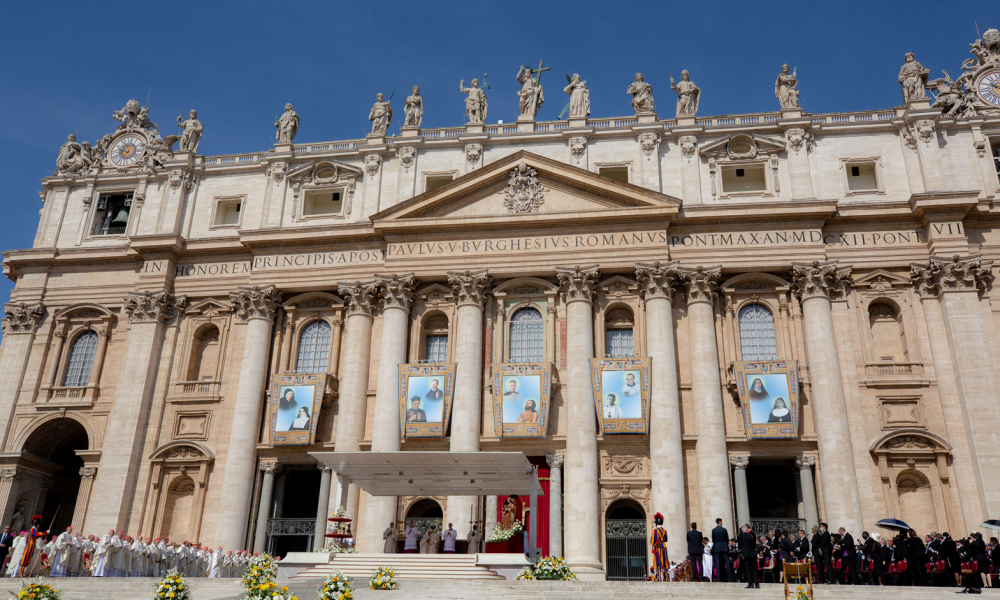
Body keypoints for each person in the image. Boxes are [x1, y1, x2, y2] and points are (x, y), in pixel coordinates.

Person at [737, 524, 758, 589]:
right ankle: (757, 583)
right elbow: (753, 545)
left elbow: (739, 545)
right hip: (751, 554)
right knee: (753, 569)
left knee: (748, 569)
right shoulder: (750, 536)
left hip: (745, 554)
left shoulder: (741, 536)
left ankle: (750, 583)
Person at [650, 513, 668, 581]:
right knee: (664, 562)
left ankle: (658, 577)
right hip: (664, 547)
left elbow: (654, 541)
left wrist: (653, 550)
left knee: (658, 563)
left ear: (656, 523)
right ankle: (666, 577)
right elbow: (665, 539)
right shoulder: (664, 530)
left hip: (658, 548)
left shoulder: (655, 530)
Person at [712, 518, 730, 582]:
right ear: (720, 522)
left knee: (717, 563)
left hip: (717, 548)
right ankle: (729, 578)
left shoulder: (713, 530)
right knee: (727, 562)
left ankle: (719, 578)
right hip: (724, 547)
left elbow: (713, 540)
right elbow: (727, 539)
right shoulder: (724, 530)